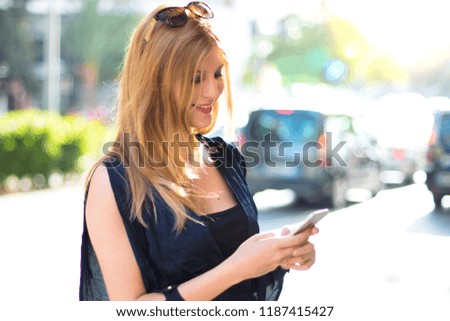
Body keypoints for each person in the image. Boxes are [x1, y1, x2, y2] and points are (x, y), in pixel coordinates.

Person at [79, 1, 318, 301]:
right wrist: (238, 268)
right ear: (155, 83)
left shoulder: (225, 157)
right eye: (195, 78)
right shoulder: (114, 181)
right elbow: (130, 310)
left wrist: (278, 257)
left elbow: (243, 282)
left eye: (217, 73)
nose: (213, 90)